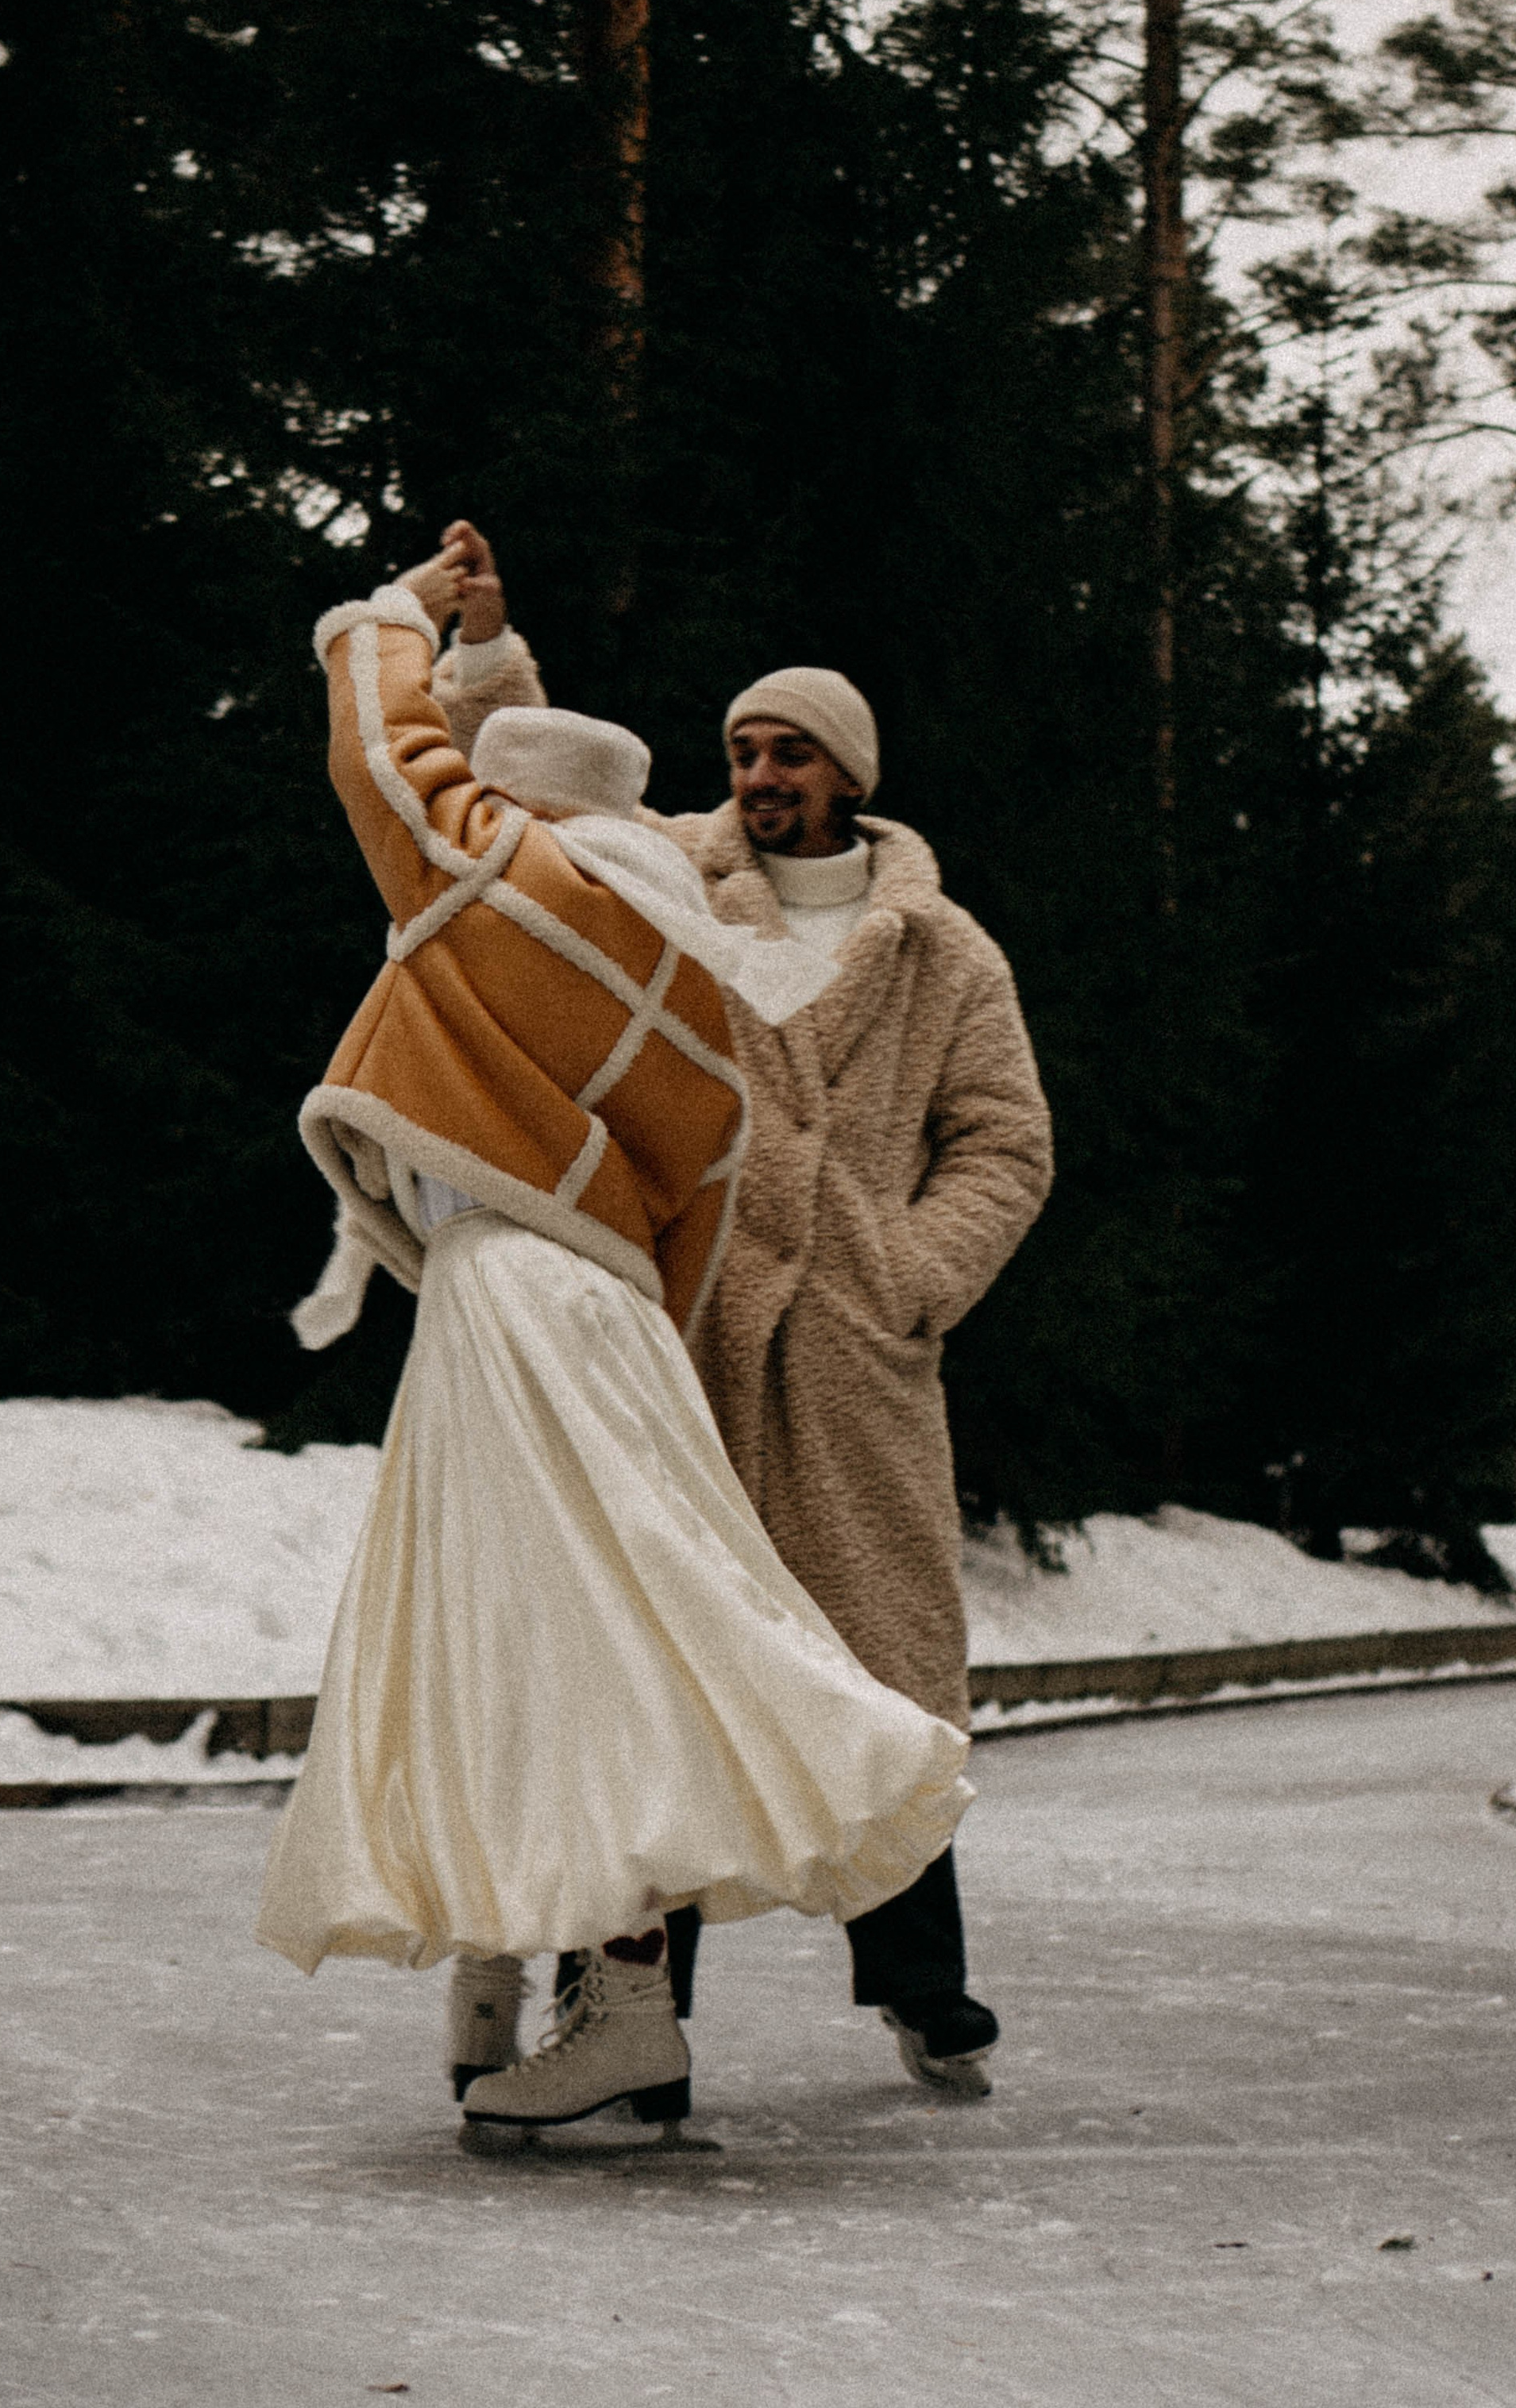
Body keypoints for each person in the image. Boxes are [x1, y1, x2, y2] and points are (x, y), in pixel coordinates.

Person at [253, 539, 974, 2142]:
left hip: (515, 1303)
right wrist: (494, 665)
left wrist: (394, 614)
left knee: (559, 1645)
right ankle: (509, 1976)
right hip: (611, 1313)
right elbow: (698, 1202)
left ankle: (617, 2006)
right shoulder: (676, 957)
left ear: (511, 811)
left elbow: (381, 754)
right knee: (552, 1633)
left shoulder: (495, 882)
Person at [434, 523, 1055, 2097]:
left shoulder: (943, 952)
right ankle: (622, 2013)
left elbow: (1003, 1143)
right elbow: (537, 789)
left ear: (848, 774)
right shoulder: (668, 885)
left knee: (882, 1661)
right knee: (656, 1649)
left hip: (851, 1356)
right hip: (687, 1333)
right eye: (742, 751)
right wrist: (488, 654)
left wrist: (909, 1280)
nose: (760, 775)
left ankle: (922, 1986)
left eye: (789, 752)